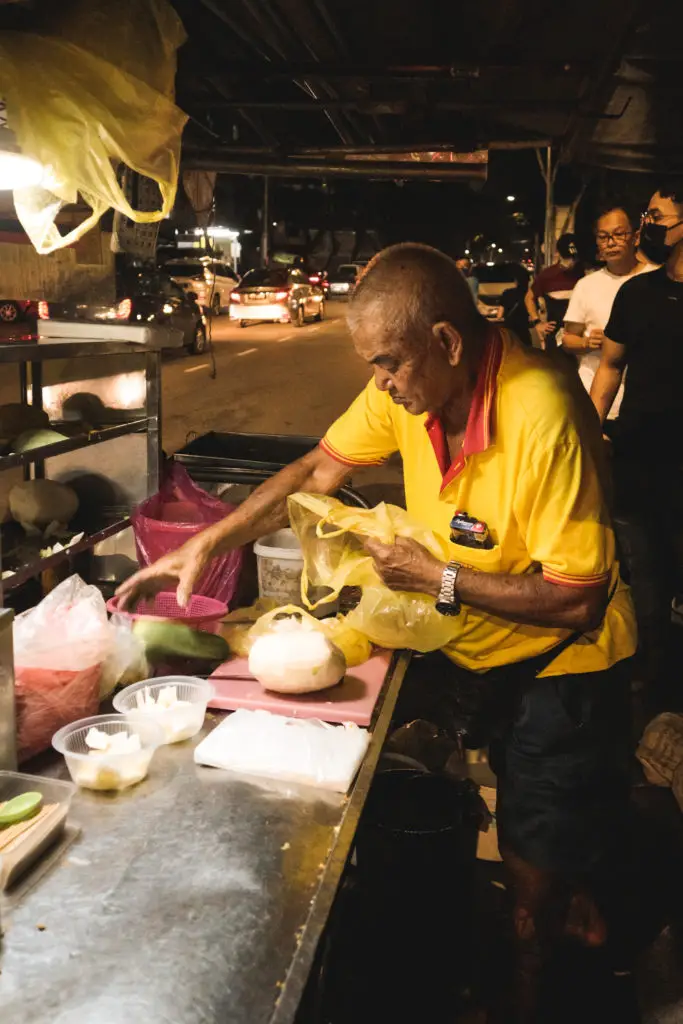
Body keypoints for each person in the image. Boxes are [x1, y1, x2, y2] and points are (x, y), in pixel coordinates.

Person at [118, 244, 635, 1020]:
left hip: (566, 666)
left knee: (532, 854)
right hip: (482, 647)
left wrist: (437, 578)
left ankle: (529, 985)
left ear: (447, 343)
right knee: (543, 833)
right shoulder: (408, 393)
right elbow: (315, 471)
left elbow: (577, 601)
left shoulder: (543, 414)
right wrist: (210, 541)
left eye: (387, 363)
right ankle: (570, 898)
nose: (378, 383)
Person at [590, 183, 683, 698]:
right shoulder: (638, 294)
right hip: (639, 461)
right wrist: (588, 432)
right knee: (641, 579)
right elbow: (609, 367)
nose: (648, 224)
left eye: (657, 215)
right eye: (646, 215)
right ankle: (644, 682)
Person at [562, 205, 657, 415]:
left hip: (644, 399)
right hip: (593, 396)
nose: (611, 242)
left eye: (619, 234)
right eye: (603, 237)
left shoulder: (656, 281)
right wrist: (587, 342)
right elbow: (568, 338)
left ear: (636, 237)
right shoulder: (587, 285)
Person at [526, 233, 583, 348]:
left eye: (574, 258)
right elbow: (529, 298)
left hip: (581, 337)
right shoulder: (547, 275)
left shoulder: (584, 274)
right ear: (558, 254)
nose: (571, 261)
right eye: (567, 257)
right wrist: (537, 323)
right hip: (556, 337)